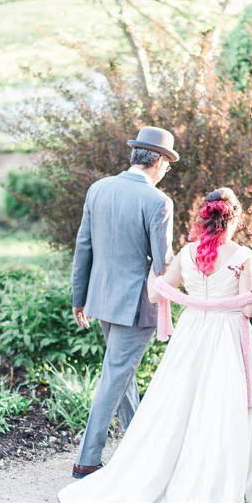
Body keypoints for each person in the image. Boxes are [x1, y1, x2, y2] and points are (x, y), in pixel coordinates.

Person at [26, 188, 252, 503]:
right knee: (221, 405)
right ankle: (220, 480)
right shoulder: (243, 256)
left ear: (203, 218)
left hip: (192, 335)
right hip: (223, 336)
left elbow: (157, 292)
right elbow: (250, 310)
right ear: (234, 218)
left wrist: (168, 280)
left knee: (178, 404)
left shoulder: (188, 254)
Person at [69, 126, 176, 478]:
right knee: (115, 375)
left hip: (101, 298)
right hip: (134, 305)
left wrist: (79, 297)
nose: (168, 170)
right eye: (168, 163)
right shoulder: (158, 202)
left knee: (120, 375)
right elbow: (163, 265)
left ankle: (135, 446)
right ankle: (87, 460)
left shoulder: (98, 189)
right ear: (157, 160)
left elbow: (83, 246)